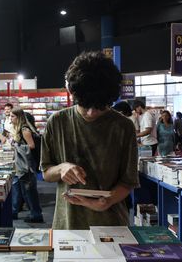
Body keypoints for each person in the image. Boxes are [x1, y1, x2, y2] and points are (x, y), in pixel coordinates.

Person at [41, 51, 139, 230]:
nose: (92, 113)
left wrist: (108, 200)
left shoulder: (124, 127)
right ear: (72, 93)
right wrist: (62, 168)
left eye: (100, 107)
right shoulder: (56, 122)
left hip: (112, 225)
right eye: (85, 105)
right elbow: (46, 172)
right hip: (68, 226)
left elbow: (128, 181)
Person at [10, 107, 43, 223]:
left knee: (29, 191)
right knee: (19, 189)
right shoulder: (20, 129)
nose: (10, 119)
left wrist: (16, 146)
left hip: (26, 166)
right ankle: (14, 212)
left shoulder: (25, 129)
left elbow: (31, 146)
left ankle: (36, 215)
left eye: (12, 116)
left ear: (19, 117)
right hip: (22, 165)